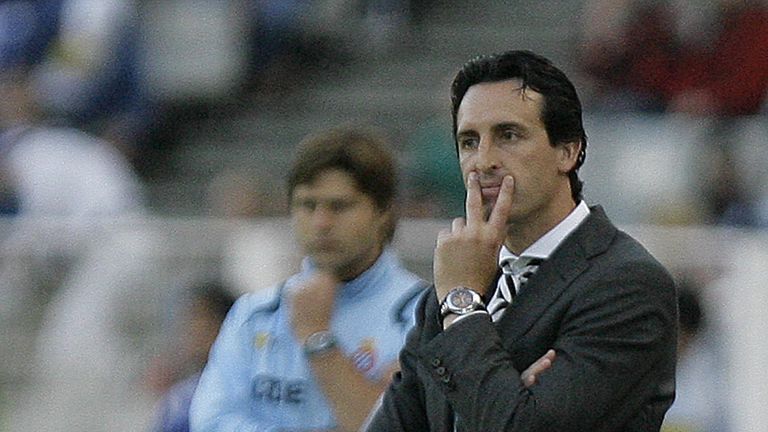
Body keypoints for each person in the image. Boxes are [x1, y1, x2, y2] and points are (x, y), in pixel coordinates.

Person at [365, 50, 678, 431]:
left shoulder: (627, 285)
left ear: (568, 151)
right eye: (469, 142)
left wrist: (463, 306)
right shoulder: (448, 293)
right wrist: (509, 397)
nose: (483, 161)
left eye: (508, 135)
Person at [189, 127, 428, 432]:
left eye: (339, 206)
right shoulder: (255, 313)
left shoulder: (423, 317)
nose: (321, 223)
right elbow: (209, 423)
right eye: (307, 205)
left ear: (383, 211)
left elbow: (392, 428)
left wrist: (318, 339)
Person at [148, 281, 237, 432]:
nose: (191, 330)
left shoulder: (250, 391)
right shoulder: (181, 399)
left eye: (200, 318)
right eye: (187, 320)